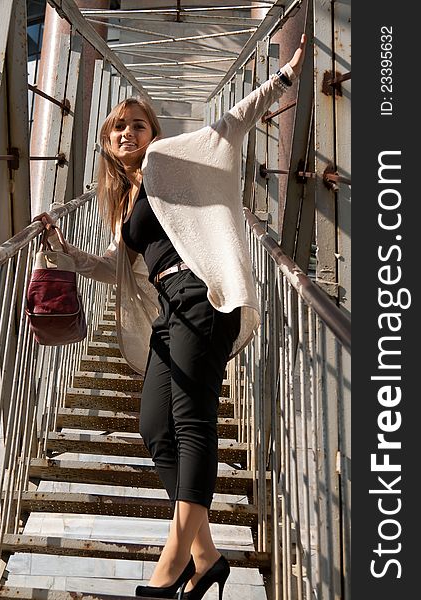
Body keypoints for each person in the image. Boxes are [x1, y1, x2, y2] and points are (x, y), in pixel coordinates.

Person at [34, 34, 307, 600]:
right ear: (107, 145)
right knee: (156, 428)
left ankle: (172, 561)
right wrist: (63, 255)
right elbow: (118, 270)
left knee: (193, 422)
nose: (128, 132)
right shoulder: (126, 204)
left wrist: (280, 80)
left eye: (137, 123)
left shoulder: (169, 159)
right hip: (167, 311)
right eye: (117, 127)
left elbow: (228, 125)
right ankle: (206, 558)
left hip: (203, 298)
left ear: (152, 134)